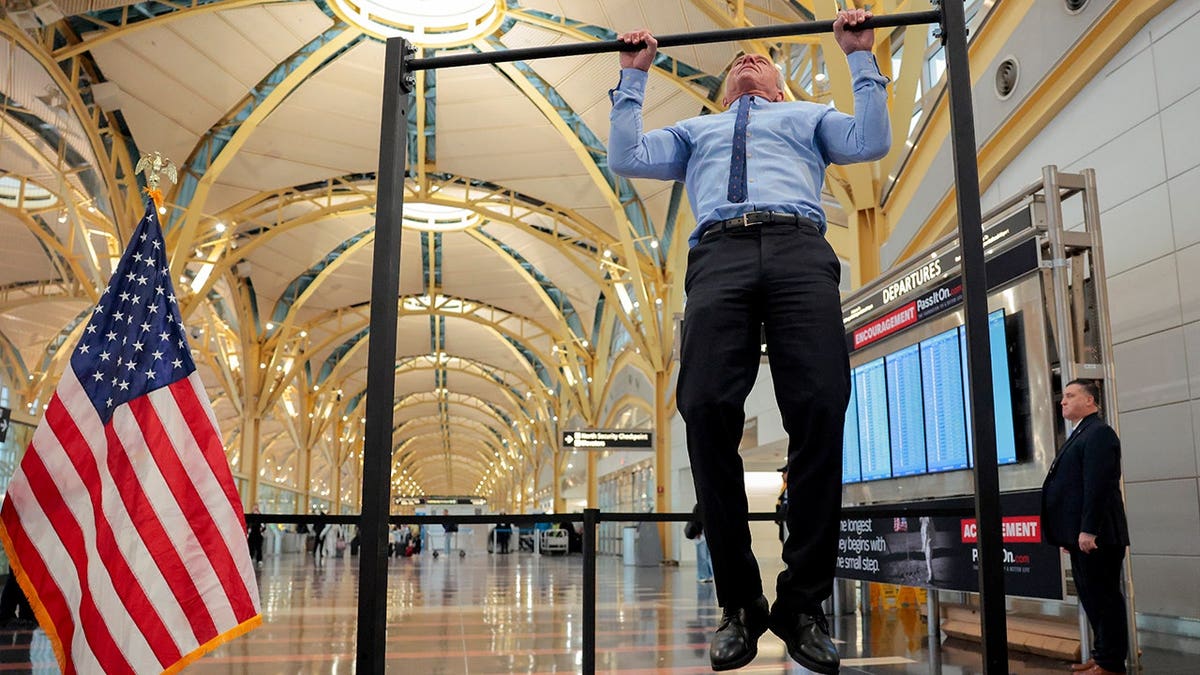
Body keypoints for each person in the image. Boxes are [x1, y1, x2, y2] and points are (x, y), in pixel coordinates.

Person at [608, 8, 887, 674]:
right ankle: (740, 603)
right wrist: (632, 78)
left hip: (797, 246)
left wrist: (859, 56)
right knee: (703, 408)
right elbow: (626, 155)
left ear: (782, 86)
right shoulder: (694, 130)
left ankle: (802, 604)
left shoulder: (809, 116)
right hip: (720, 253)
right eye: (736, 63)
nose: (746, 61)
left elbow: (872, 138)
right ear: (723, 88)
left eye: (760, 60)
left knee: (820, 406)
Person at [1041, 379, 1130, 675]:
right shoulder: (1080, 432)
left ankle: (1112, 662)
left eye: (1070, 395)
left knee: (1105, 599)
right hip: (1083, 535)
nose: (1062, 401)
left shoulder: (1100, 433)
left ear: (1090, 401)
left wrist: (1088, 530)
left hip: (1100, 535)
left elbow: (1098, 486)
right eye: (1063, 396)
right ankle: (1102, 655)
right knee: (1092, 599)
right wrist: (1070, 533)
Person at [685, 504, 714, 583]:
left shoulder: (700, 505)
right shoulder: (701, 506)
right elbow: (697, 520)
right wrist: (698, 531)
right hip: (701, 534)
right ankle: (704, 575)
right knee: (704, 556)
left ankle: (706, 575)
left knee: (706, 556)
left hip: (703, 533)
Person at [247, 504, 265, 568]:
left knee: (258, 548)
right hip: (252, 534)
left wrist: (262, 530)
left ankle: (259, 559)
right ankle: (251, 558)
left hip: (258, 534)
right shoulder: (250, 516)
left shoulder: (260, 516)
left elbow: (263, 526)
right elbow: (248, 525)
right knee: (251, 547)